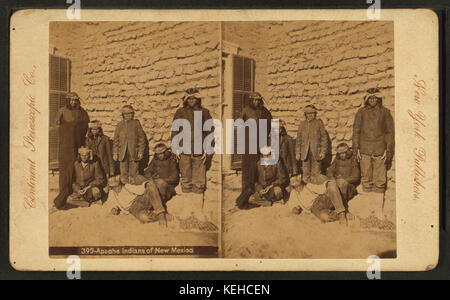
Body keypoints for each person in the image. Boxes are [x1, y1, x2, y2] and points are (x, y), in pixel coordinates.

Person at [171, 88, 213, 194]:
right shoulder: (180, 112)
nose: (191, 101)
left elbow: (210, 133)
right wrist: (175, 148)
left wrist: (207, 151)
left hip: (199, 149)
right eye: (189, 99)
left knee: (199, 178)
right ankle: (187, 200)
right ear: (185, 100)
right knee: (185, 176)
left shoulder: (204, 112)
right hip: (183, 149)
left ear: (198, 100)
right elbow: (175, 131)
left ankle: (197, 200)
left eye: (194, 99)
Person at [352, 88, 394, 193]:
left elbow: (389, 132)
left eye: (374, 98)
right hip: (364, 149)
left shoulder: (385, 112)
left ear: (378, 99)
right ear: (366, 99)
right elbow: (356, 131)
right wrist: (356, 148)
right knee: (366, 174)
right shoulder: (361, 112)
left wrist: (387, 150)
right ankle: (367, 198)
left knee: (380, 177)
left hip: (379, 148)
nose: (372, 100)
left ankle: (378, 198)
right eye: (370, 98)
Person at [235, 92, 272, 209]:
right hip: (248, 146)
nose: (257, 102)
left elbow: (270, 125)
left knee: (259, 171)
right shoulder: (246, 111)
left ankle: (258, 196)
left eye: (259, 100)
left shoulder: (265, 112)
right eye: (255, 100)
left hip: (261, 145)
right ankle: (244, 198)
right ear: (251, 101)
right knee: (248, 173)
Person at [53, 92, 90, 209]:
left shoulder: (82, 112)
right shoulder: (62, 111)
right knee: (65, 171)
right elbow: (56, 127)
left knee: (76, 169)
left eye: (76, 100)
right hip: (65, 147)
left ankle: (75, 195)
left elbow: (86, 128)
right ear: (68, 101)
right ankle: (62, 196)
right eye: (72, 100)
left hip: (77, 146)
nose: (74, 102)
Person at [113, 105, 146, 185]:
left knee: (134, 173)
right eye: (126, 114)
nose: (128, 115)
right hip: (122, 153)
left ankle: (133, 189)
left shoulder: (136, 124)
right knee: (123, 173)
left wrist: (141, 152)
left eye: (130, 113)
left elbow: (142, 139)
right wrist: (115, 153)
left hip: (134, 152)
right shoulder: (119, 125)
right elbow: (116, 140)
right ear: (123, 115)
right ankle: (125, 190)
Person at [295, 105, 328, 184]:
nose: (310, 115)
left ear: (315, 114)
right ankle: (308, 191)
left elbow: (324, 139)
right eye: (308, 113)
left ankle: (315, 191)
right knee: (306, 174)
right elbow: (298, 140)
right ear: (305, 114)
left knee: (316, 174)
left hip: (316, 153)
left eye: (312, 113)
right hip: (305, 153)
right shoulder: (302, 124)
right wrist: (297, 153)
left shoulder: (319, 123)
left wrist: (323, 152)